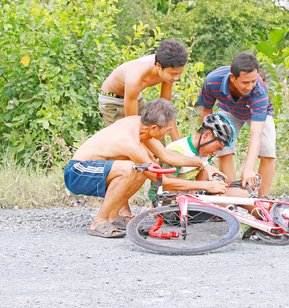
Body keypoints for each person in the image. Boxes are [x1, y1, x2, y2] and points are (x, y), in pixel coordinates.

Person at [64, 99, 224, 238]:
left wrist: (204, 164)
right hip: (78, 172)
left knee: (145, 169)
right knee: (131, 168)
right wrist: (206, 186)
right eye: (168, 130)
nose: (170, 133)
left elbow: (166, 155)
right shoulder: (131, 143)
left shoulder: (140, 124)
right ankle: (99, 222)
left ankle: (113, 217)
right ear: (154, 128)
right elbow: (164, 182)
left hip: (96, 169)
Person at [198, 52, 276, 197]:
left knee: (268, 151)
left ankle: (263, 202)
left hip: (257, 114)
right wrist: (206, 140)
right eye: (245, 82)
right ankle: (230, 197)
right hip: (229, 109)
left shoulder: (259, 91)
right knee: (223, 148)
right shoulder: (212, 81)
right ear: (233, 78)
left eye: (253, 81)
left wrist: (248, 169)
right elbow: (206, 111)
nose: (250, 86)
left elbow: (255, 134)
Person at [99, 39, 188, 140]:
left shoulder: (167, 69)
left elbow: (166, 109)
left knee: (156, 131)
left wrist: (178, 143)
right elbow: (131, 124)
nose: (177, 78)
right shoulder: (135, 78)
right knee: (126, 140)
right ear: (158, 66)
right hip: (112, 101)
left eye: (179, 73)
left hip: (134, 96)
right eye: (173, 74)